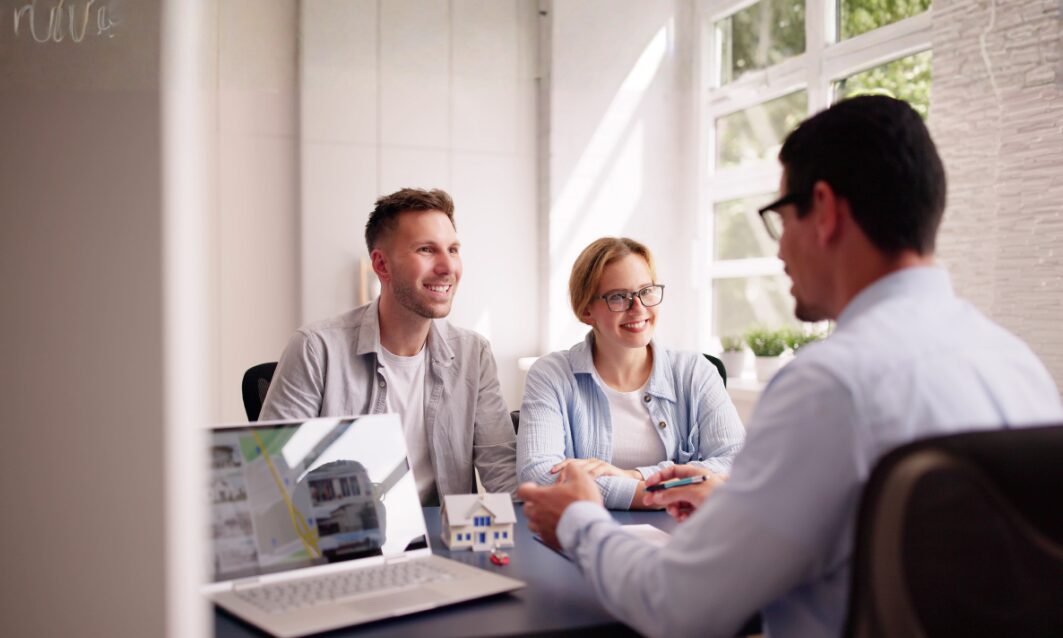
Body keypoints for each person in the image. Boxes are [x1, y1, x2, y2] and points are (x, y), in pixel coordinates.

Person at [518, 95, 1063, 637]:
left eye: (780, 217)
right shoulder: (1017, 364)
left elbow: (680, 607)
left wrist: (579, 522)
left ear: (823, 211)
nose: (779, 253)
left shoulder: (830, 385)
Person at [260, 188, 516, 505]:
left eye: (452, 249)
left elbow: (505, 476)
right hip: (349, 542)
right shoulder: (317, 348)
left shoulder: (473, 355)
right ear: (382, 266)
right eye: (426, 249)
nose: (447, 267)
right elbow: (272, 479)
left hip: (444, 541)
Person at [518, 237, 745, 510]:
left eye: (646, 291)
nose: (638, 307)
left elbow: (735, 462)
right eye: (618, 297)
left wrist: (636, 476)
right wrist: (653, 495)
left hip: (682, 538)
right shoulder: (551, 375)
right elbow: (540, 475)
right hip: (583, 537)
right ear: (586, 310)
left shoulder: (696, 372)